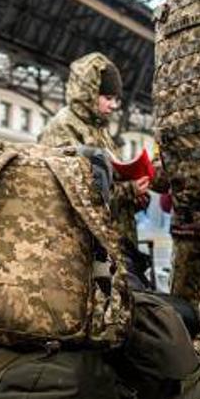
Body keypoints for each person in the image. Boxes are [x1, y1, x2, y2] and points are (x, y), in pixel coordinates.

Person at [39, 53, 148, 252]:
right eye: (108, 98)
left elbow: (111, 182)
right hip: (81, 247)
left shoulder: (99, 130)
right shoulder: (63, 127)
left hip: (110, 244)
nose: (114, 106)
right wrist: (129, 191)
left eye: (117, 99)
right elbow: (75, 190)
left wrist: (135, 199)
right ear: (88, 92)